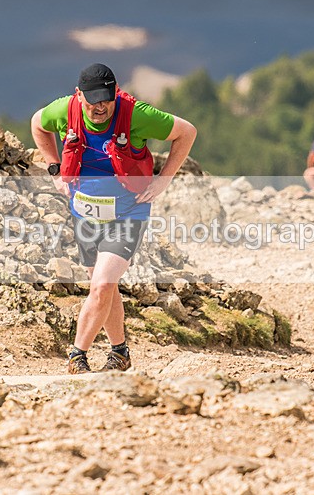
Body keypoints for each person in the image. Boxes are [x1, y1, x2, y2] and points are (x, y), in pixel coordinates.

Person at [31, 63, 196, 374]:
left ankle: (76, 357)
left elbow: (186, 132)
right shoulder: (64, 111)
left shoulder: (135, 114)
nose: (100, 107)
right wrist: (54, 169)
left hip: (128, 212)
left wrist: (165, 179)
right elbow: (37, 124)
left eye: (106, 98)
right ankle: (120, 352)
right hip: (85, 213)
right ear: (78, 96)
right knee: (103, 286)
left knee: (103, 284)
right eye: (93, 100)